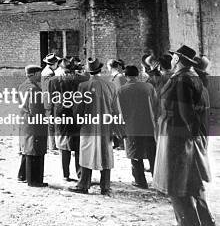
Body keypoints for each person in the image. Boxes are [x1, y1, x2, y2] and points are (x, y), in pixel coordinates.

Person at [153, 45, 214, 226]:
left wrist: (188, 136)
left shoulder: (181, 80)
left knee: (176, 180)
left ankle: (187, 223)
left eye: (173, 57)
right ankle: (206, 219)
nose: (171, 60)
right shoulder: (193, 76)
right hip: (185, 133)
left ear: (178, 60)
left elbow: (185, 111)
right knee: (193, 177)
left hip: (176, 135)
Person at [69, 58, 120, 195]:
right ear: (101, 69)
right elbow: (116, 109)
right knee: (106, 153)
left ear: (88, 71)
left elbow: (78, 108)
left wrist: (78, 121)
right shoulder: (110, 85)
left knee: (87, 153)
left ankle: (84, 184)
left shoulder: (83, 86)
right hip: (106, 125)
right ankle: (105, 186)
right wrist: (117, 127)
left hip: (89, 125)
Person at [115, 65, 157, 188]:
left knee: (135, 155)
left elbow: (120, 111)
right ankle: (157, 180)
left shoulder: (121, 90)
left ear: (125, 76)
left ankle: (140, 181)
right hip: (149, 125)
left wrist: (120, 127)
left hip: (132, 126)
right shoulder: (149, 87)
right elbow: (155, 105)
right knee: (152, 153)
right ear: (138, 75)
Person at [48, 58, 89, 182]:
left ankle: (66, 174)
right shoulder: (81, 80)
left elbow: (51, 99)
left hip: (61, 113)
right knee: (78, 145)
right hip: (77, 113)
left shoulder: (53, 80)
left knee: (63, 144)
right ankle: (80, 173)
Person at [18, 65, 48, 187]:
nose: (40, 76)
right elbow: (35, 108)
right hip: (35, 122)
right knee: (34, 149)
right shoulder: (34, 89)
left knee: (27, 148)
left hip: (25, 121)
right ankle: (34, 180)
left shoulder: (22, 86)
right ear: (35, 74)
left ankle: (22, 175)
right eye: (39, 73)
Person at [42, 53, 60, 150]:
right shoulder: (50, 74)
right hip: (50, 101)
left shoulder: (45, 71)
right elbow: (51, 90)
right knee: (51, 124)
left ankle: (50, 145)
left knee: (49, 123)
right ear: (54, 63)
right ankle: (52, 146)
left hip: (46, 100)